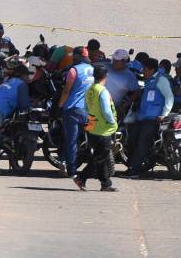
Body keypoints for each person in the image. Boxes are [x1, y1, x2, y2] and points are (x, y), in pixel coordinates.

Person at [0, 59, 33, 175]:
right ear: (22, 75)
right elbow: (24, 105)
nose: (28, 78)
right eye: (27, 75)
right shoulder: (21, 84)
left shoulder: (9, 81)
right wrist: (33, 104)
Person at [124, 57, 171, 178]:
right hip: (142, 117)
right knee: (131, 140)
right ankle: (131, 166)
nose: (143, 71)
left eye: (144, 69)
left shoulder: (161, 80)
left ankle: (135, 170)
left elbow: (169, 97)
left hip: (153, 118)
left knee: (142, 143)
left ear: (151, 70)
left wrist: (164, 114)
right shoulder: (149, 81)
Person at [74, 64, 118, 192]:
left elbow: (86, 107)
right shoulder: (102, 91)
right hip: (103, 129)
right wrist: (112, 122)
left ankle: (106, 183)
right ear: (106, 75)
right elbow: (106, 111)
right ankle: (81, 177)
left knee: (101, 157)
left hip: (93, 127)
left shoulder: (90, 89)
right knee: (100, 157)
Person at [56, 47, 95, 177]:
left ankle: (71, 169)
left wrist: (60, 106)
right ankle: (94, 167)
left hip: (72, 111)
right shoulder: (93, 70)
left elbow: (66, 91)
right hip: (90, 113)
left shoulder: (73, 70)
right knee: (93, 138)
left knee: (71, 140)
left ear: (77, 57)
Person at [103, 49, 140, 117]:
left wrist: (124, 106)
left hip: (111, 109)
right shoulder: (105, 66)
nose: (114, 62)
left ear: (124, 61)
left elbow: (137, 91)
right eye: (113, 59)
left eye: (117, 61)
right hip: (95, 104)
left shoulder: (130, 76)